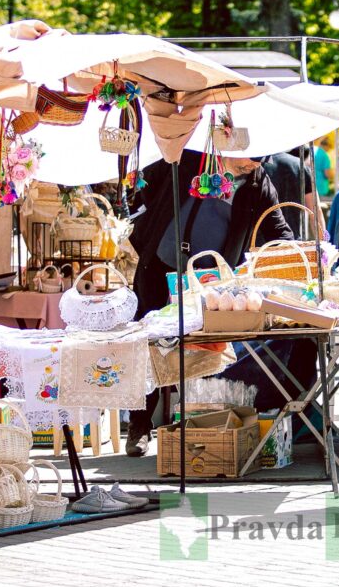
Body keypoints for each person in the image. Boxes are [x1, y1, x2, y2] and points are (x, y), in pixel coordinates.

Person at [125, 150, 293, 456]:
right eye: (248, 158)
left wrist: (294, 252)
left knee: (200, 350)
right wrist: (141, 234)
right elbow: (145, 186)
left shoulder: (257, 183)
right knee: (146, 345)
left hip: (207, 280)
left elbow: (277, 229)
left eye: (259, 161)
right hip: (159, 265)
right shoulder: (189, 158)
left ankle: (195, 425)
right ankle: (139, 424)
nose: (251, 165)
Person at [260, 150, 322, 237]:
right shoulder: (300, 165)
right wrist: (323, 242)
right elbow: (315, 209)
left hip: (260, 243)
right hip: (292, 240)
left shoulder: (257, 165)